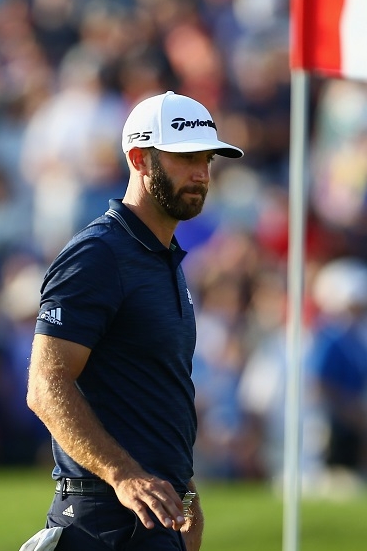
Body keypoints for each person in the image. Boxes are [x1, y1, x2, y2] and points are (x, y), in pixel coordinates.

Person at [24, 90, 243, 551]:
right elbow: (46, 385)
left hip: (154, 510)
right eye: (185, 158)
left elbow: (154, 392)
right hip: (102, 519)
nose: (201, 173)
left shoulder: (166, 259)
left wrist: (184, 487)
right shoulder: (98, 254)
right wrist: (124, 475)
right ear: (140, 159)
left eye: (207, 159)